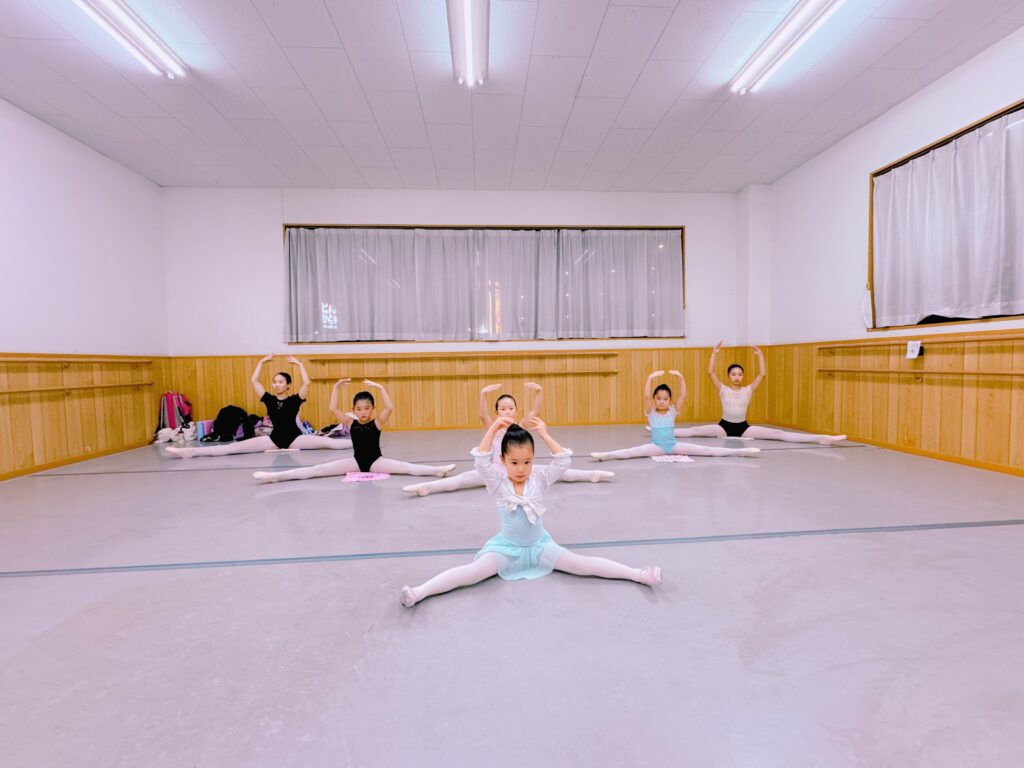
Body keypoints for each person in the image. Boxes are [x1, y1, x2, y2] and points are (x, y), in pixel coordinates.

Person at [400, 417, 662, 607]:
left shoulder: (540, 479)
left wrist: (545, 434)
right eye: (514, 462)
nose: (521, 468)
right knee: (471, 573)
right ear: (503, 461)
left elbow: (563, 461)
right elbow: (480, 461)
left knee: (581, 564)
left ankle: (638, 574)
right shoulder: (498, 483)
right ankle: (419, 592)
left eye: (527, 462)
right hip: (506, 550)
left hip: (540, 547)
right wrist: (493, 429)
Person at [403, 381, 613, 496]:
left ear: (515, 410)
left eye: (510, 408)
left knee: (561, 472)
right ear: (497, 412)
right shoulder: (493, 427)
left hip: (519, 469)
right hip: (495, 471)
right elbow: (482, 415)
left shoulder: (520, 425)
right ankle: (427, 487)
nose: (507, 411)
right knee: (460, 481)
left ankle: (592, 474)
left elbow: (535, 410)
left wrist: (539, 392)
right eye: (503, 409)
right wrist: (483, 395)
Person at [252, 378, 455, 483]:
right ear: (354, 409)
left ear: (372, 409)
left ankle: (437, 470)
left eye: (367, 408)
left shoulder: (377, 423)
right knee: (317, 470)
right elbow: (333, 408)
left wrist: (381, 389)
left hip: (376, 462)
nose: (363, 412)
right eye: (359, 409)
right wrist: (336, 388)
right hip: (356, 462)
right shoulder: (350, 423)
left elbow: (390, 408)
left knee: (405, 466)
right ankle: (276, 477)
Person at [166, 354, 352, 458]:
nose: (277, 384)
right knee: (232, 448)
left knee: (331, 443)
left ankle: (362, 441)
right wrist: (261, 362)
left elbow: (307, 383)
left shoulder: (295, 400)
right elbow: (254, 381)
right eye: (274, 382)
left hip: (296, 438)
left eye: (280, 382)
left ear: (288, 385)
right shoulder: (269, 399)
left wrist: (299, 364)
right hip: (274, 439)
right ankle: (189, 452)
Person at [666, 343, 846, 444]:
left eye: (739, 374)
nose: (736, 377)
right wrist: (714, 354)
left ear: (743, 376)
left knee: (778, 434)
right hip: (724, 426)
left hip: (744, 427)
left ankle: (821, 438)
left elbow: (762, 374)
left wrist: (760, 355)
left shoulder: (748, 390)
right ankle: (661, 431)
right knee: (695, 431)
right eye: (733, 374)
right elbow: (711, 372)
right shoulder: (723, 389)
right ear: (729, 376)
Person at [590, 370, 760, 461]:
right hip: (657, 446)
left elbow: (683, 395)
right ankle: (606, 455)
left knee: (707, 450)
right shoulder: (650, 411)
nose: (661, 402)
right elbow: (646, 396)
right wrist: (649, 378)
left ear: (670, 400)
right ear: (655, 400)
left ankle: (740, 452)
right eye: (658, 399)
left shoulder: (673, 410)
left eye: (665, 399)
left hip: (674, 445)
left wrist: (680, 378)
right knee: (632, 452)